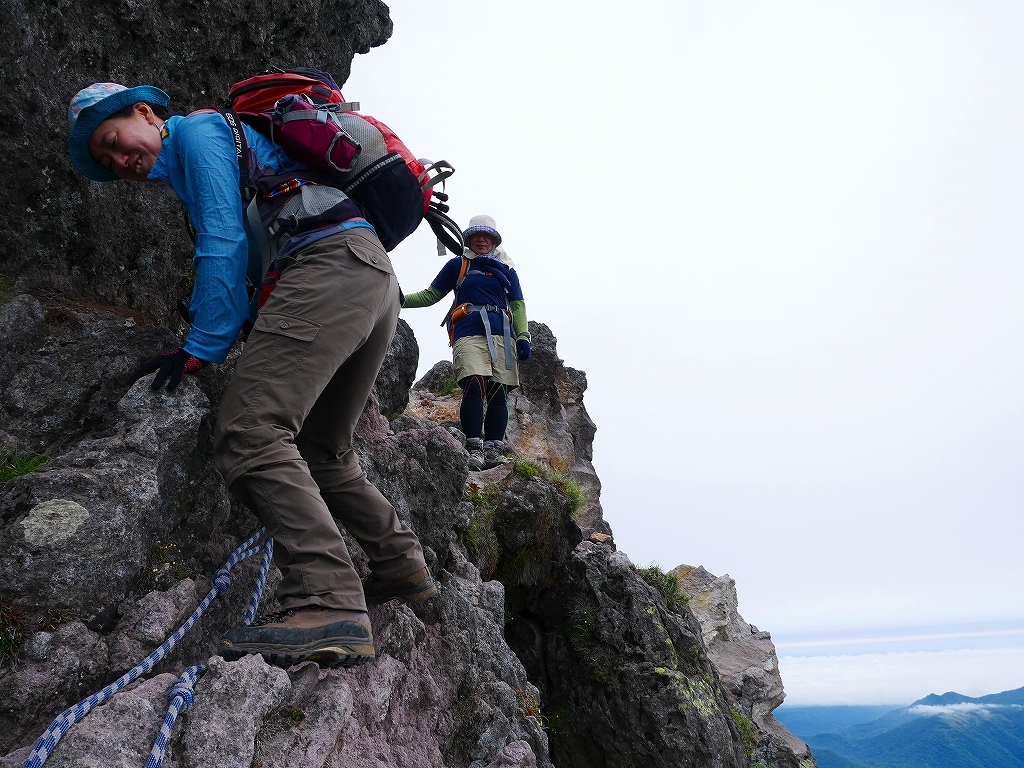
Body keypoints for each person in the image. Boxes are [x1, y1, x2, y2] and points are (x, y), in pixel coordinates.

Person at [67, 82, 436, 668]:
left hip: (327, 263)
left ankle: (326, 602)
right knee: (322, 448)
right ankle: (402, 570)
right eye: (108, 162)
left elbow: (223, 238)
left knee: (249, 431)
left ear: (145, 112)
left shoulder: (197, 133)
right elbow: (246, 247)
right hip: (368, 276)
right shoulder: (211, 155)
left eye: (113, 141)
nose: (119, 160)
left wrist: (202, 347)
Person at [403, 215, 531, 471]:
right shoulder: (457, 265)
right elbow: (431, 295)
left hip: (502, 335)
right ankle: (474, 447)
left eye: (487, 236)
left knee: (498, 392)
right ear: (469, 239)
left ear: (494, 241)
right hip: (468, 332)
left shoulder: (507, 270)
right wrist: (396, 298)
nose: (482, 240)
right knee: (474, 384)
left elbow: (517, 305)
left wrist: (524, 336)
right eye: (476, 235)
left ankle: (494, 449)